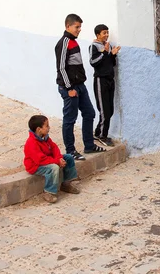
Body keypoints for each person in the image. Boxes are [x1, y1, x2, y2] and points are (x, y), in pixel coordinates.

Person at [55, 14, 105, 161]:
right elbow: (61, 68)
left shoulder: (73, 42)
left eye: (80, 27)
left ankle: (89, 145)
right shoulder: (64, 43)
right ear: (67, 26)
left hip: (80, 86)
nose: (79, 30)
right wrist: (69, 88)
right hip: (70, 88)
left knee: (89, 113)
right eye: (77, 27)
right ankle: (70, 150)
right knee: (70, 119)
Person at [24, 115, 80, 203]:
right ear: (39, 129)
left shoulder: (45, 137)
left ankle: (66, 183)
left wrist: (59, 158)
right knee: (54, 168)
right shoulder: (31, 143)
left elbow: (54, 147)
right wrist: (57, 162)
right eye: (47, 126)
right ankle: (49, 192)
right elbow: (40, 160)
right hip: (36, 165)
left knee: (69, 157)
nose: (49, 128)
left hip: (49, 159)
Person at [89, 24, 120, 147]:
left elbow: (111, 64)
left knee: (110, 110)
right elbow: (93, 62)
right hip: (100, 81)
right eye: (104, 33)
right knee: (104, 110)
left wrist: (112, 54)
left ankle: (98, 132)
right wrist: (104, 52)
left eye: (107, 32)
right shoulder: (94, 46)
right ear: (98, 35)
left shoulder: (108, 46)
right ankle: (103, 136)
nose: (106, 35)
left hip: (110, 80)